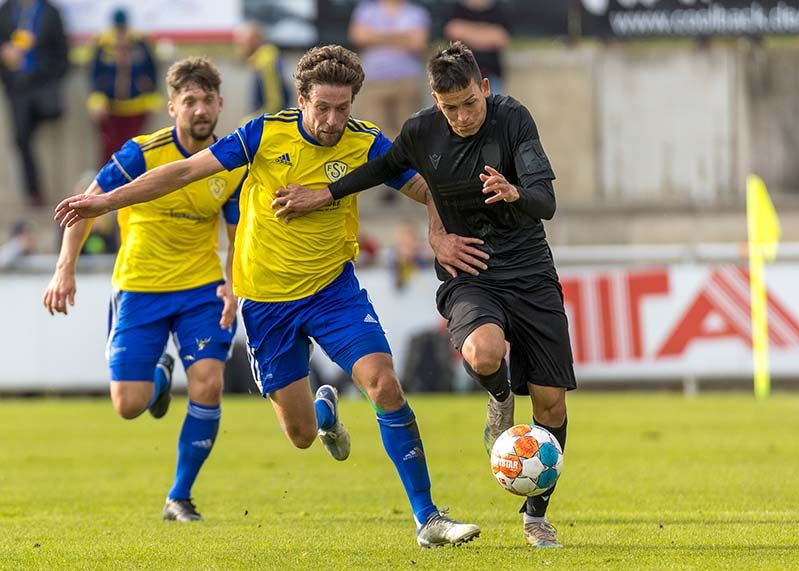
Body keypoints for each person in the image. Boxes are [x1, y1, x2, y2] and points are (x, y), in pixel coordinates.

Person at [54, 44, 480, 548]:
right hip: (266, 304)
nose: (331, 120)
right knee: (300, 436)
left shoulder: (365, 144)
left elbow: (428, 186)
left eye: (343, 108)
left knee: (384, 383)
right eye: (322, 107)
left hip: (332, 292)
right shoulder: (262, 134)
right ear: (301, 99)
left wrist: (436, 231)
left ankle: (427, 518)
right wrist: (106, 201)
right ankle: (323, 414)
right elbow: (185, 171)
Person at [266, 41, 575, 549]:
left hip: (531, 271)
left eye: (470, 103)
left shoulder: (514, 119)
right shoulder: (421, 132)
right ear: (435, 99)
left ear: (485, 89)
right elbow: (379, 170)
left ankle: (535, 517)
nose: (462, 116)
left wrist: (517, 193)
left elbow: (547, 201)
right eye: (450, 107)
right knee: (483, 352)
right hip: (469, 271)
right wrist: (323, 194)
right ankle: (499, 397)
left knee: (551, 407)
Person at [44, 57, 246, 522]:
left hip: (201, 289)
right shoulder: (140, 153)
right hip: (140, 287)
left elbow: (236, 234)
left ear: (219, 104)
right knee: (128, 405)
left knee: (209, 383)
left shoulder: (229, 164)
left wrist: (233, 286)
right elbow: (87, 206)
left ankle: (179, 496)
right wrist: (64, 269)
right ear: (173, 106)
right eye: (189, 101)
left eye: (207, 101)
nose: (199, 109)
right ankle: (158, 379)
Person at [0, 0, 68, 206]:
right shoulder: (6, 11)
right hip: (17, 86)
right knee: (21, 138)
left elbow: (62, 53)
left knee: (52, 111)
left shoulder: (50, 12)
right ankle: (33, 191)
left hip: (43, 83)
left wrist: (44, 72)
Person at [87, 7, 162, 166]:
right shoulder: (102, 44)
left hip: (136, 107)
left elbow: (152, 71)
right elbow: (94, 74)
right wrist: (96, 99)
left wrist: (152, 97)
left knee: (135, 150)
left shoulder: (140, 43)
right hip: (110, 107)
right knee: (109, 150)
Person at [348, 0, 430, 141]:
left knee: (410, 136)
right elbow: (358, 37)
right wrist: (402, 37)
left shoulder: (416, 13)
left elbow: (418, 43)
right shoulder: (366, 10)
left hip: (406, 82)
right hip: (374, 82)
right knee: (371, 136)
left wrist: (376, 36)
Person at [442, 0, 510, 94]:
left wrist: (466, 34)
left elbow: (500, 39)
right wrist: (486, 33)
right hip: (458, 76)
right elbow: (453, 31)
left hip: (490, 76)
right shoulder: (456, 9)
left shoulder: (498, 10)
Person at [234, 21, 290, 117]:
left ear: (254, 40)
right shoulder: (262, 59)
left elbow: (275, 103)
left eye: (242, 42)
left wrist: (251, 122)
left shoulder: (266, 61)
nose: (239, 46)